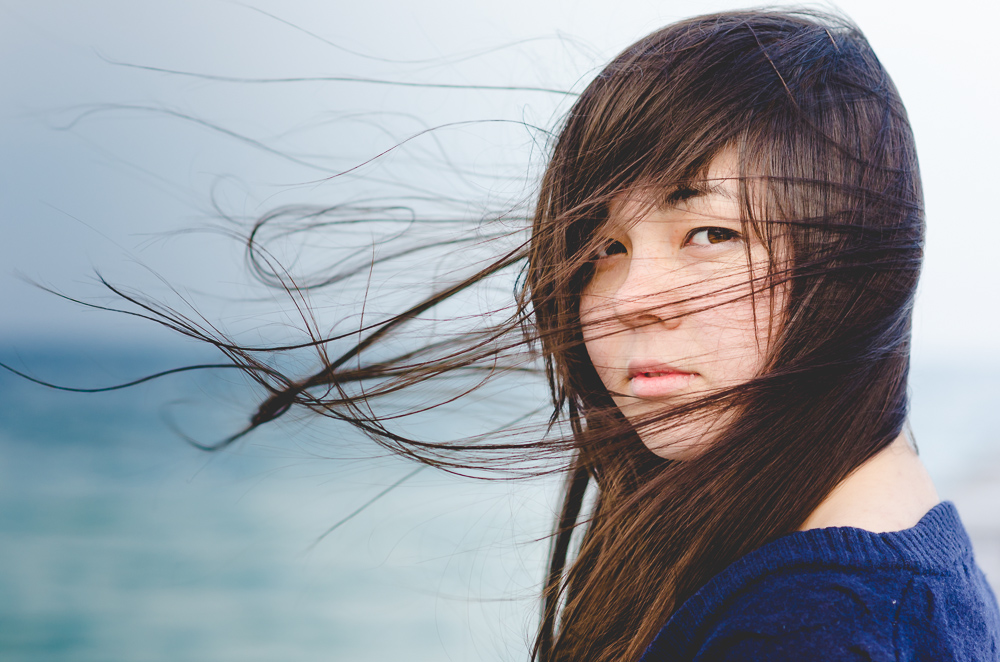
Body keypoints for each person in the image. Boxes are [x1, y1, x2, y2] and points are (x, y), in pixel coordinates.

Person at [13, 7, 999, 662]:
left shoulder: (816, 625)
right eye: (600, 243)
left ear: (866, 262)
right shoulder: (907, 554)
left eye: (710, 231)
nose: (623, 296)